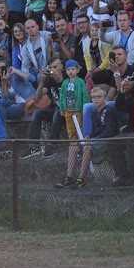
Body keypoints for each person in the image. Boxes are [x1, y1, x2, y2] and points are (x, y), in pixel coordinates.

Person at [54, 59, 90, 189]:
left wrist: (85, 107)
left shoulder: (80, 82)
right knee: (71, 131)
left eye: (73, 69)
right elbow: (62, 96)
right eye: (68, 70)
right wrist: (62, 108)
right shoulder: (64, 83)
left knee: (79, 128)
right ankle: (73, 143)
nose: (70, 72)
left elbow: (85, 94)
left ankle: (79, 146)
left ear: (77, 70)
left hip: (78, 109)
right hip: (68, 111)